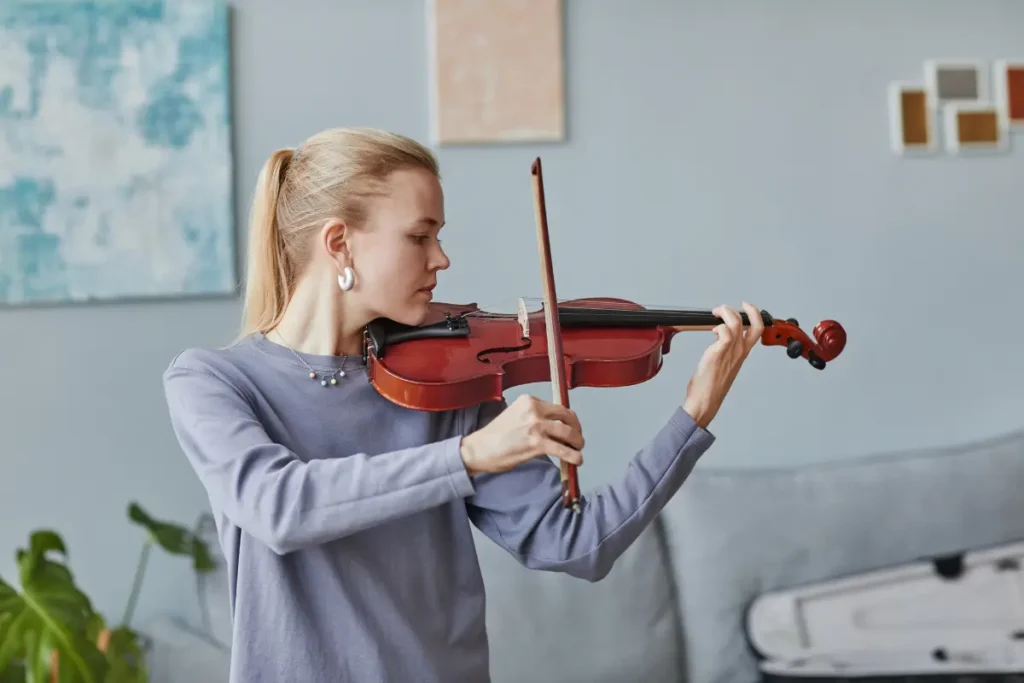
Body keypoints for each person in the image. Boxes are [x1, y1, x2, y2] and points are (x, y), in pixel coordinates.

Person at [162, 126, 764, 683]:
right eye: (420, 236)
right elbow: (280, 508)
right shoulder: (213, 383)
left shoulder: (443, 385)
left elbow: (580, 544)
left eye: (438, 237)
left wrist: (693, 414)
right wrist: (469, 457)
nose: (441, 259)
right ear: (340, 244)